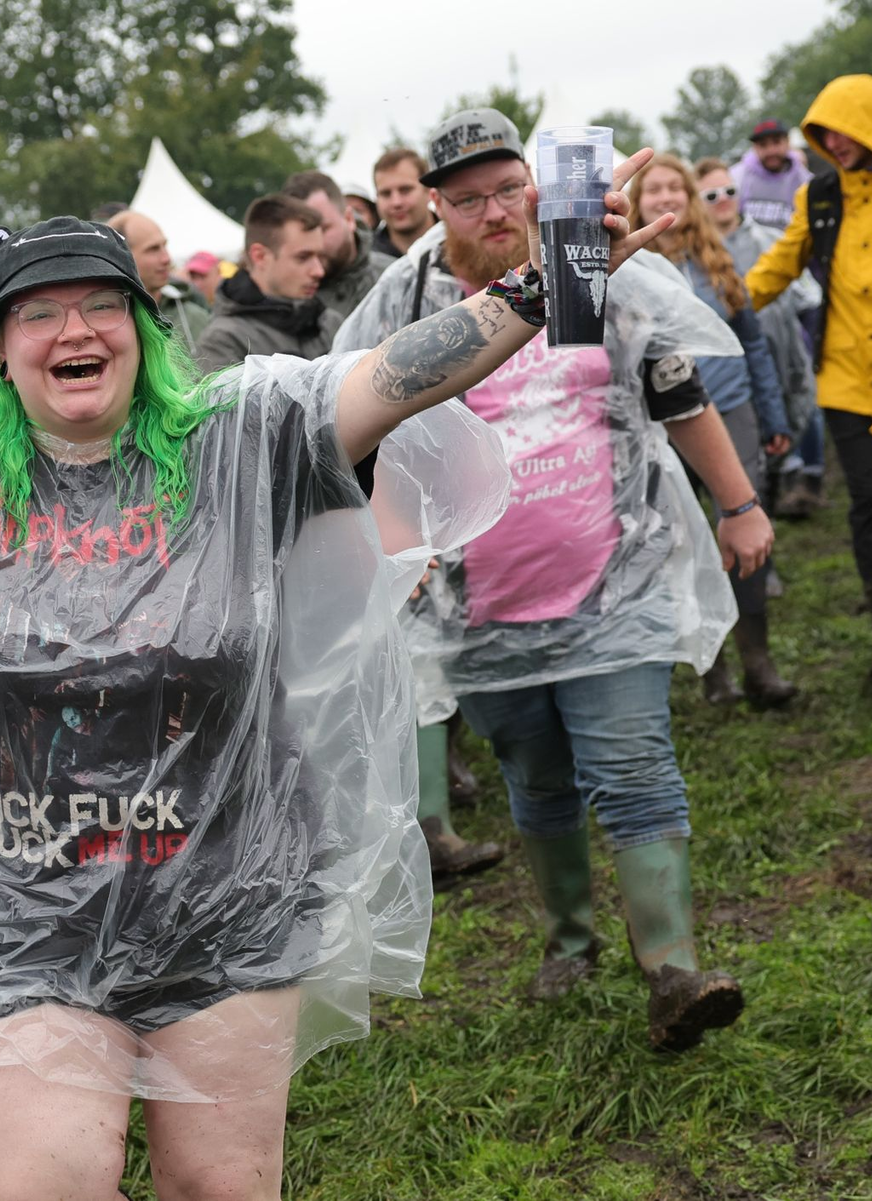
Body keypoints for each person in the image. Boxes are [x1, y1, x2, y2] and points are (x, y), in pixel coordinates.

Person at [0, 151, 669, 1195]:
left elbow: (394, 371)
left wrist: (538, 284)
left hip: (229, 890)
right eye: (38, 314)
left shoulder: (245, 439)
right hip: (18, 910)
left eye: (103, 306)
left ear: (148, 332)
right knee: (54, 1181)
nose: (74, 332)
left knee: (222, 1187)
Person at [337, 108, 774, 1051]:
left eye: (508, 190)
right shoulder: (405, 300)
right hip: (476, 607)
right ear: (434, 207)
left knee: (633, 767)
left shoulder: (593, 265)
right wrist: (394, 545)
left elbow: (674, 391)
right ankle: (569, 940)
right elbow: (359, 431)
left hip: (614, 583)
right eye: (468, 198)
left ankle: (672, 968)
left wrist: (739, 504)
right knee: (536, 781)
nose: (493, 210)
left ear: (535, 189)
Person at [632, 153, 795, 708]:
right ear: (638, 202)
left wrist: (773, 416)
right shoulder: (626, 269)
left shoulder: (718, 261)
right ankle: (713, 668)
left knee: (745, 539)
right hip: (662, 431)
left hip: (734, 411)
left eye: (676, 188)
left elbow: (753, 344)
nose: (666, 198)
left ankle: (759, 663)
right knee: (686, 544)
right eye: (653, 189)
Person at [745, 75, 872, 661]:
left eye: (843, 129)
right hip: (848, 384)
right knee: (867, 504)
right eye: (823, 133)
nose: (833, 142)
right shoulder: (820, 197)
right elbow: (775, 269)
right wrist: (721, 313)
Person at [695, 157, 824, 518]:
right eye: (711, 195)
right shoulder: (695, 261)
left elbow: (809, 296)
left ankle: (796, 484)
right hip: (730, 376)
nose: (723, 199)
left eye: (730, 191)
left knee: (794, 421)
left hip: (783, 361)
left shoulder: (771, 241)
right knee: (745, 456)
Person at [193, 194, 340, 371]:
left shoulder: (329, 322)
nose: (318, 271)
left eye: (319, 256)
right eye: (303, 257)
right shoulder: (223, 342)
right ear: (260, 256)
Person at [282, 170, 394, 319]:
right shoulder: (283, 294)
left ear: (349, 219)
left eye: (322, 228)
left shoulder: (395, 279)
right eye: (303, 234)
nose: (314, 244)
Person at [108, 211, 211, 355]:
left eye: (164, 246)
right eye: (153, 249)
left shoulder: (194, 317)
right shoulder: (104, 323)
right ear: (121, 256)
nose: (167, 258)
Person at [731, 119, 814, 231]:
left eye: (776, 142)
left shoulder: (804, 180)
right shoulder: (738, 176)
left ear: (788, 142)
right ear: (755, 147)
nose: (771, 151)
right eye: (763, 145)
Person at [372, 147, 438, 258]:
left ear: (428, 191)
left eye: (405, 190)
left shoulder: (462, 242)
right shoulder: (367, 261)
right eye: (385, 193)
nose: (396, 202)